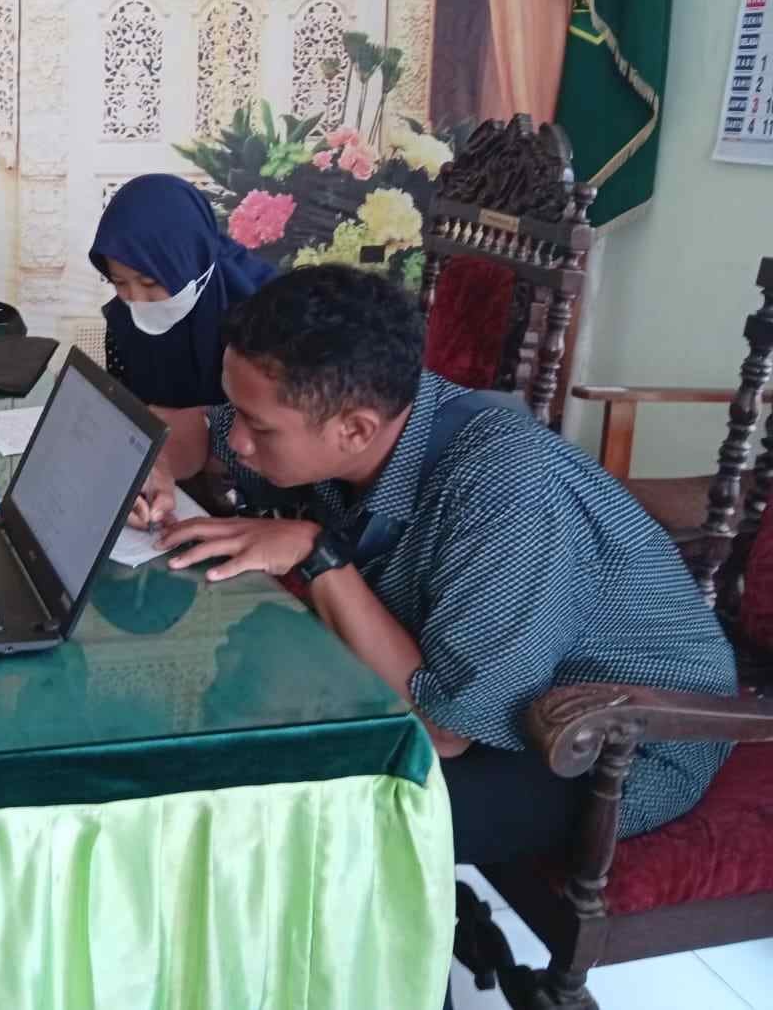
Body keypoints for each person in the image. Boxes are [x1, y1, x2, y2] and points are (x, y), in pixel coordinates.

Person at [135, 264, 737, 867]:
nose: (239, 440)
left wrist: (316, 554)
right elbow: (196, 430)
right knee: (229, 705)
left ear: (355, 430)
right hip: (469, 686)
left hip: (609, 746)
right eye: (239, 412)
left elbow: (447, 731)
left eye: (258, 427)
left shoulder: (506, 494)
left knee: (281, 813)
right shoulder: (373, 412)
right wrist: (154, 463)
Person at [89, 173, 275, 411]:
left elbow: (284, 414)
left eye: (149, 283)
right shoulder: (123, 321)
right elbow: (127, 407)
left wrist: (202, 421)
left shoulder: (267, 317)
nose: (136, 299)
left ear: (192, 259)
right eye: (119, 282)